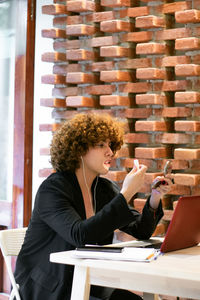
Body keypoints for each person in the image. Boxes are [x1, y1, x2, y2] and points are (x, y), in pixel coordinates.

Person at [14, 112, 173, 300]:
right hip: (49, 286)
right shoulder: (53, 188)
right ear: (79, 149)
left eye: (110, 145)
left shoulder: (103, 188)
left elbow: (141, 230)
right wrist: (126, 193)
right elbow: (80, 235)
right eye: (101, 145)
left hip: (89, 282)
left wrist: (155, 196)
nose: (110, 152)